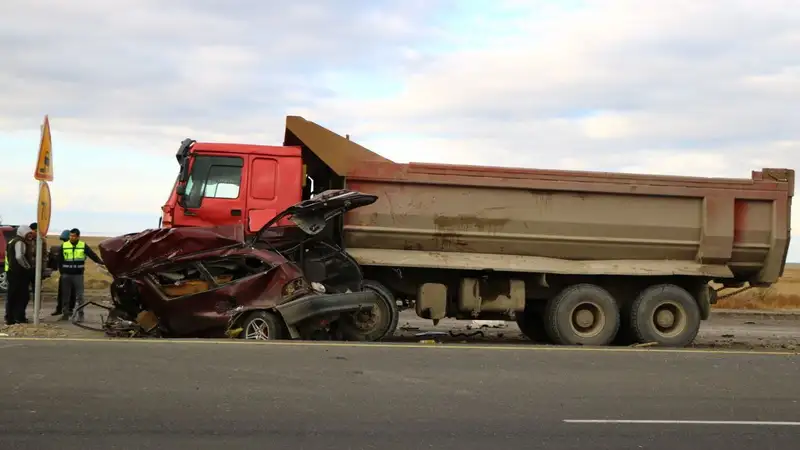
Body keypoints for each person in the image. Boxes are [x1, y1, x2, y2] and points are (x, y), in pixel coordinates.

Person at [59, 228, 104, 322]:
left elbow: (92, 255)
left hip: (78, 275)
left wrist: (101, 262)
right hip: (66, 274)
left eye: (73, 236)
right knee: (65, 296)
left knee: (80, 296)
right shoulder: (64, 245)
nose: (71, 237)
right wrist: (62, 272)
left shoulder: (83, 245)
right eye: (70, 236)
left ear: (78, 237)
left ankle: (80, 315)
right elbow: (60, 260)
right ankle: (65, 314)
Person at [4, 225, 34, 325]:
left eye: (30, 233)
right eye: (28, 233)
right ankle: (19, 317)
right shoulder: (20, 242)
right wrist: (27, 266)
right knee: (23, 296)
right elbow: (19, 256)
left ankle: (10, 318)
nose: (30, 235)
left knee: (12, 296)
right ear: (22, 233)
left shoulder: (11, 241)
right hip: (19, 274)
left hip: (12, 273)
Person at [48, 230, 75, 317]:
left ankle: (69, 310)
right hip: (64, 274)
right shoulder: (63, 248)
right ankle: (60, 309)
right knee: (62, 293)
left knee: (70, 294)